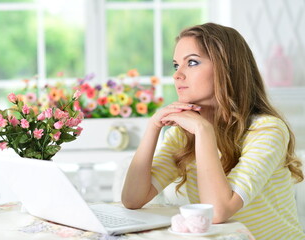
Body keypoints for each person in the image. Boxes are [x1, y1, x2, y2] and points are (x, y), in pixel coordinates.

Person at [121, 22, 305, 240]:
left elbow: (217, 211)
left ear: (227, 68)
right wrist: (153, 126)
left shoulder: (267, 130)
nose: (177, 75)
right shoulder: (184, 134)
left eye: (191, 62)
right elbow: (132, 199)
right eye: (175, 65)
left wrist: (203, 131)